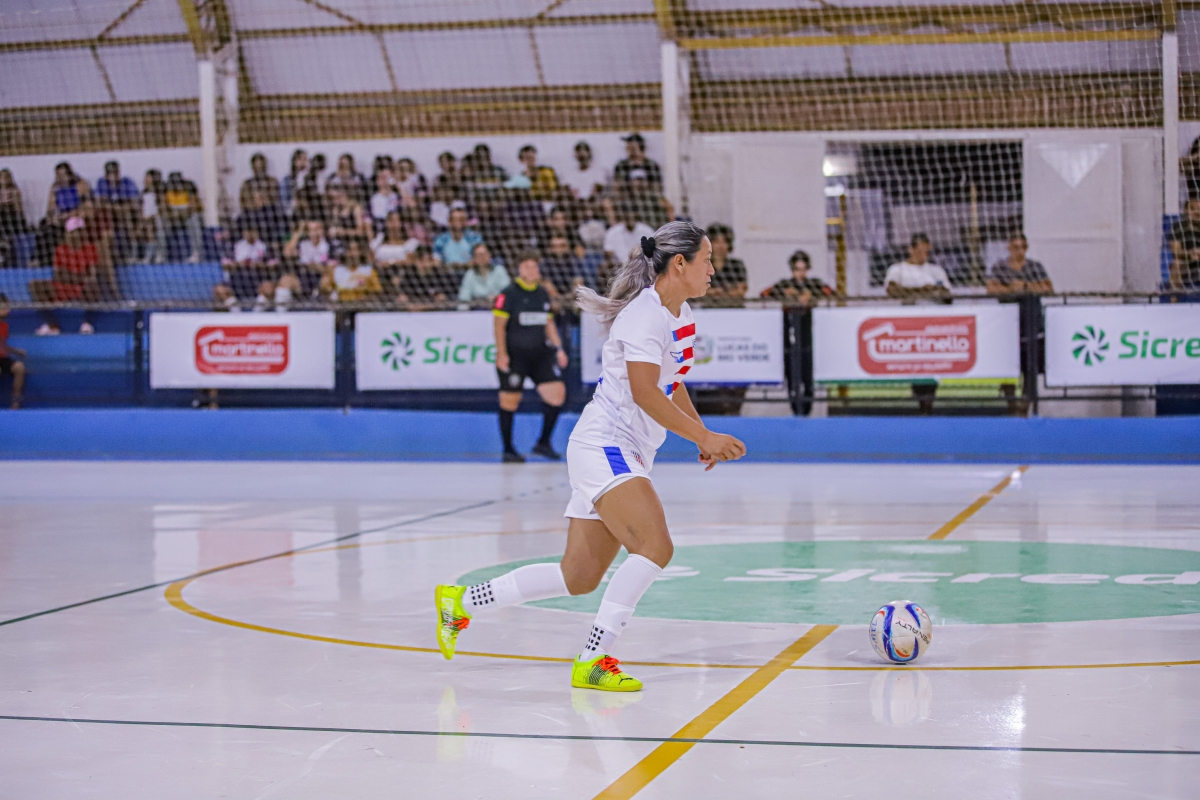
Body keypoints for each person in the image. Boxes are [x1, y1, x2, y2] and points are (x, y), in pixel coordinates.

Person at [434, 222, 746, 693]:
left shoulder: (678, 314)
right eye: (707, 259)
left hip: (620, 449)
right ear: (679, 263)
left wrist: (698, 435)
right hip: (606, 446)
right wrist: (703, 435)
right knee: (655, 547)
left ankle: (461, 603)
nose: (713, 269)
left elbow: (670, 382)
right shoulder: (644, 317)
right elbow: (644, 392)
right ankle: (594, 660)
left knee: (577, 577)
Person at [490, 250, 569, 463]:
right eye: (528, 267)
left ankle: (543, 442)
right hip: (515, 355)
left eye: (535, 266)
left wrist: (559, 348)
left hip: (540, 355)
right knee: (510, 401)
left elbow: (548, 323)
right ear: (519, 270)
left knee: (557, 394)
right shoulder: (508, 294)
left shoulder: (542, 293)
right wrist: (501, 354)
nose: (533, 270)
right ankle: (508, 450)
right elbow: (499, 326)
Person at [29, 216, 99, 335]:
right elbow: (57, 275)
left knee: (93, 285)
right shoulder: (60, 249)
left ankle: (87, 324)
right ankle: (52, 326)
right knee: (34, 285)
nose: (76, 235)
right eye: (73, 232)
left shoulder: (90, 248)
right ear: (67, 233)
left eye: (79, 231)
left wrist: (71, 276)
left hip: (82, 288)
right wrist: (78, 276)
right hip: (62, 287)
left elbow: (92, 275)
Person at [885, 233, 950, 301]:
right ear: (911, 249)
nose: (924, 255)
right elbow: (891, 290)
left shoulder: (937, 270)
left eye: (926, 252)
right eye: (920, 251)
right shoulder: (897, 269)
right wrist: (924, 290)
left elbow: (946, 292)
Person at [987, 233, 1054, 296]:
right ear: (1009, 247)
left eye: (1024, 247)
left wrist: (1025, 286)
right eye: (1016, 247)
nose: (1020, 251)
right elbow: (990, 289)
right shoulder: (1000, 266)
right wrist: (1010, 289)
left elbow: (1049, 288)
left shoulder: (1035, 266)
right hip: (1007, 303)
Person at [761, 249, 831, 305]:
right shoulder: (784, 283)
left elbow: (831, 293)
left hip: (811, 315)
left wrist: (811, 294)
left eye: (804, 269)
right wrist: (785, 292)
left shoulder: (815, 283)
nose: (801, 272)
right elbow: (764, 293)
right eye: (797, 269)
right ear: (792, 269)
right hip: (788, 316)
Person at [705, 223, 747, 303]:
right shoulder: (702, 266)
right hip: (709, 307)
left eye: (724, 242)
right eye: (716, 242)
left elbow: (741, 290)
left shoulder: (737, 265)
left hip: (733, 306)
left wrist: (720, 294)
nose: (720, 246)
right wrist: (714, 292)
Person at [0, 294, 27, 409]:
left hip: (2, 358)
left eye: (7, 307)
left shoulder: (5, 326)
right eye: (4, 308)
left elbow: (2, 345)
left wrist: (17, 351)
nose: (8, 310)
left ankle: (15, 403)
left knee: (19, 367)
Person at [1168, 200, 1200, 291]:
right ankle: (1173, 297)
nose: (1197, 212)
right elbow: (1176, 251)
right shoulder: (1178, 227)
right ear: (1186, 210)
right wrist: (1192, 253)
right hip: (1187, 265)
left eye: (1199, 209)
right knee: (1177, 263)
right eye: (1192, 209)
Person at [281, 149, 308, 217]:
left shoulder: (308, 179)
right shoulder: (287, 180)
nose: (305, 162)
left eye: (306, 159)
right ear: (295, 161)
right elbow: (285, 204)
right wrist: (296, 203)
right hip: (292, 215)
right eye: (303, 159)